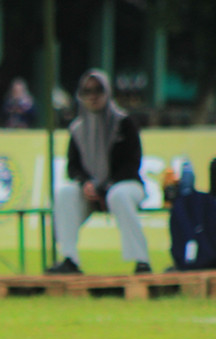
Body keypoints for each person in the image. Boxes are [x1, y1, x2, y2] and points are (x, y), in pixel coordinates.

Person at [45, 69, 151, 276]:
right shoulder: (77, 128)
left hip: (124, 184)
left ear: (107, 92)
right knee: (65, 193)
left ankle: (141, 261)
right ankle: (69, 259)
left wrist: (106, 185)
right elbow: (72, 167)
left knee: (119, 195)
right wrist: (86, 183)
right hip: (92, 190)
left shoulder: (123, 122)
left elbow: (132, 163)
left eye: (98, 90)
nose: (93, 96)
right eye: (87, 91)